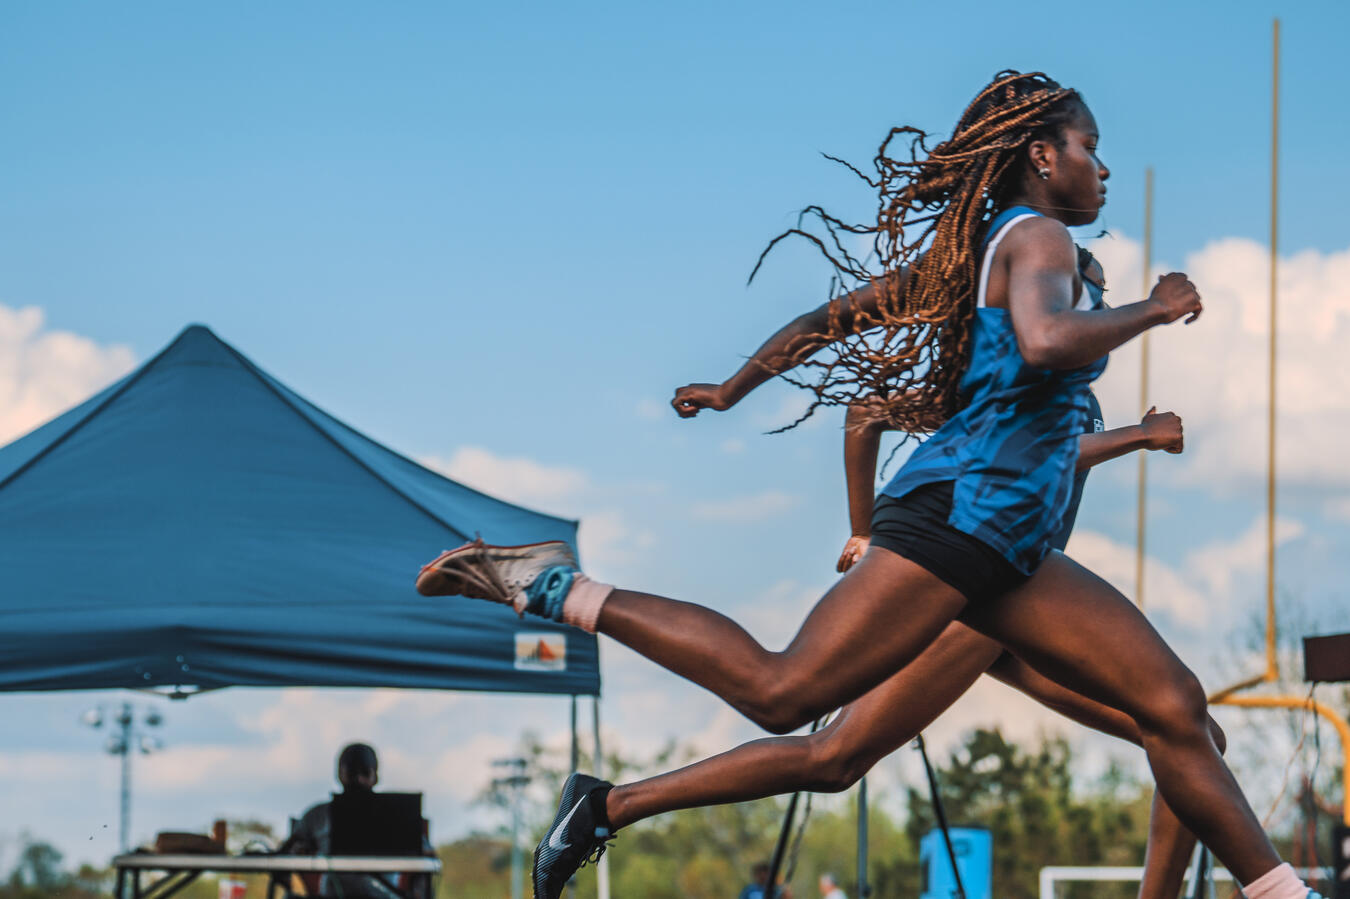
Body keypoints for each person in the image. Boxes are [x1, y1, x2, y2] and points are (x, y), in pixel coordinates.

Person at [417, 70, 1321, 899]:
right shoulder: (1039, 236)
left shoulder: (977, 260)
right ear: (1043, 156)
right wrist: (1151, 310)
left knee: (1177, 709)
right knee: (785, 695)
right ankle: (555, 587)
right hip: (961, 528)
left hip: (1009, 551)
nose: (1104, 167)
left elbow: (832, 320)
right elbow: (1043, 342)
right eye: (1091, 146)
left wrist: (735, 387)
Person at [284, 743, 405, 899]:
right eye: (351, 772)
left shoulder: (396, 814)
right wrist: (298, 851)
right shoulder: (317, 815)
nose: (358, 779)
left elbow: (426, 856)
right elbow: (287, 851)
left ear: (375, 776)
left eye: (364, 772)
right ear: (340, 775)